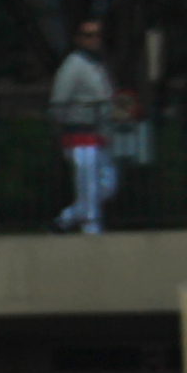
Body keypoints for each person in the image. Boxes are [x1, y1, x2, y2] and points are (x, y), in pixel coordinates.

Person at [50, 19, 118, 233]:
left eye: (97, 34)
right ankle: (91, 230)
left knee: (108, 183)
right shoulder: (73, 64)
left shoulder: (96, 64)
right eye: (88, 35)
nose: (94, 39)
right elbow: (59, 100)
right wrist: (66, 124)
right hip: (79, 132)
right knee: (87, 183)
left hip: (99, 133)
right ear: (78, 39)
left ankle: (66, 218)